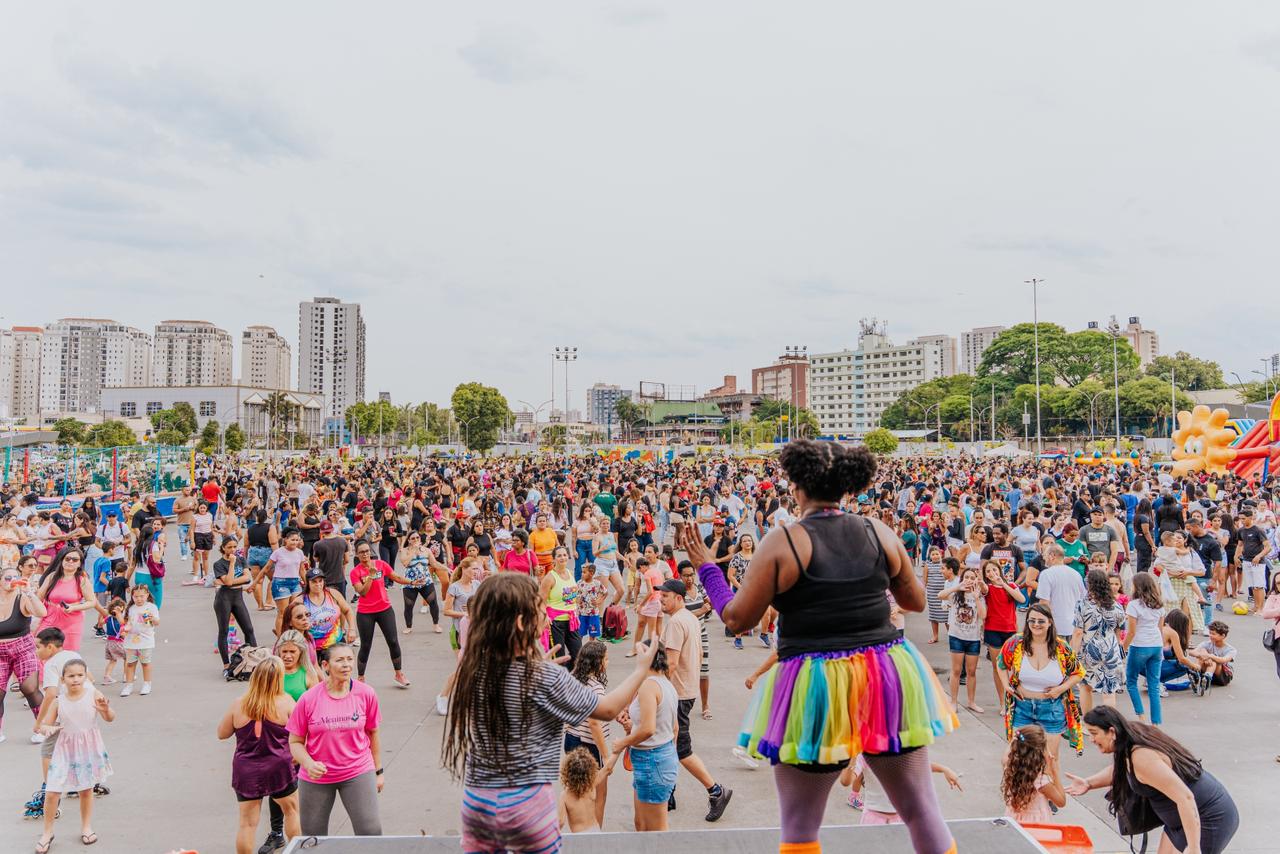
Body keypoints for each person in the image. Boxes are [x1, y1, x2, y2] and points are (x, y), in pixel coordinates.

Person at [686, 440, 957, 854]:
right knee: (921, 810)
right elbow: (916, 601)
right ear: (847, 486)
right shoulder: (878, 531)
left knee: (800, 827)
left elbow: (737, 620)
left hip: (814, 683)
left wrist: (708, 568)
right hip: (884, 676)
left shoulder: (783, 542)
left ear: (796, 487)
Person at [441, 573, 661, 854]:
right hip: (526, 804)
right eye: (541, 609)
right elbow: (607, 709)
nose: (547, 616)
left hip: (478, 801)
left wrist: (537, 667)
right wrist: (641, 669)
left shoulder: (476, 670)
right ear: (522, 623)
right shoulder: (544, 677)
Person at [1067, 706, 1239, 854]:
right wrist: (1089, 783)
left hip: (1207, 817)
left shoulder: (1142, 757)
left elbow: (1185, 797)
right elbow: (1121, 769)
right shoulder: (1129, 737)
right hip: (1180, 820)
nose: (1091, 739)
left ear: (1112, 732)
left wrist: (1194, 848)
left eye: (1094, 733)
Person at [288, 643, 383, 836]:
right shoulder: (308, 699)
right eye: (339, 660)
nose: (346, 664)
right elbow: (295, 742)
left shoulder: (366, 694)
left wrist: (378, 771)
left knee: (370, 832)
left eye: (349, 659)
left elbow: (373, 733)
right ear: (325, 666)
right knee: (313, 837)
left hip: (358, 771)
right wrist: (308, 763)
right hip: (317, 777)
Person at [658, 577, 732, 819]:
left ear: (678, 598)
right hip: (686, 691)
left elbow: (670, 663)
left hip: (676, 695)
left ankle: (716, 791)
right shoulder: (690, 618)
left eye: (665, 596)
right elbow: (699, 654)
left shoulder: (675, 623)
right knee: (669, 746)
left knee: (681, 749)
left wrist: (656, 691)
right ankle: (669, 793)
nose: (661, 599)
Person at [217, 655, 301, 854]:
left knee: (247, 824)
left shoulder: (239, 704)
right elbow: (300, 734)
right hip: (279, 766)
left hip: (246, 769)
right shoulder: (286, 702)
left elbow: (222, 733)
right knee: (291, 812)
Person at [34, 659, 114, 853]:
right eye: (71, 676)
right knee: (52, 792)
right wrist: (47, 729)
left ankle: (86, 827)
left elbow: (110, 718)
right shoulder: (58, 701)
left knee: (86, 790)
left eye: (80, 675)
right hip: (63, 750)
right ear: (63, 679)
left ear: (86, 677)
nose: (76, 679)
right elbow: (43, 725)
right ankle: (47, 832)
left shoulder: (94, 694)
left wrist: (106, 710)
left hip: (87, 749)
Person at [996, 602, 1086, 763]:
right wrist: (1006, 685)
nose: (1036, 624)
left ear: (1050, 622)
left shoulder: (1061, 647)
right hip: (1022, 709)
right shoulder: (1016, 642)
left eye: (1041, 621)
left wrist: (1060, 689)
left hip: (1051, 711)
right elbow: (1001, 663)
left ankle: (1050, 781)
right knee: (1016, 758)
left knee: (1050, 760)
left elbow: (1078, 672)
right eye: (1032, 620)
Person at [611, 645, 680, 831]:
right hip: (655, 759)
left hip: (652, 761)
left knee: (655, 830)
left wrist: (623, 743)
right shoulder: (664, 683)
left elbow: (649, 729)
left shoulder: (649, 686)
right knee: (641, 824)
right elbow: (673, 728)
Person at [349, 540, 412, 688]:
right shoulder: (355, 572)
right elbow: (363, 592)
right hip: (365, 613)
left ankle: (399, 674)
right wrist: (370, 577)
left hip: (384, 609)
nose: (365, 554)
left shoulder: (381, 564)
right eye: (361, 552)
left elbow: (396, 577)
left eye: (367, 551)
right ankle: (361, 678)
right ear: (357, 555)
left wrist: (412, 582)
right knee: (365, 646)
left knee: (393, 641)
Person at [0, 566, 47, 744]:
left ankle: (42, 727)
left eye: (15, 577)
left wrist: (29, 592)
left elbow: (42, 612)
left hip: (23, 649)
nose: (12, 581)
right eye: (7, 578)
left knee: (29, 687)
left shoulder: (22, 598)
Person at [1071, 567, 1126, 713]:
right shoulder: (1116, 606)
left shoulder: (1082, 605)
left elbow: (1078, 632)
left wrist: (1072, 654)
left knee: (1085, 687)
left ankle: (1088, 722)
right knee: (1109, 691)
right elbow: (1120, 629)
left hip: (1088, 650)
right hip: (1110, 650)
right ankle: (1109, 723)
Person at [37, 547, 104, 653]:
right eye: (67, 558)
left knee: (67, 654)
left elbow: (92, 602)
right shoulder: (52, 577)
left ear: (79, 564)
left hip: (71, 622)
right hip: (50, 618)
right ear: (62, 560)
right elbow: (39, 596)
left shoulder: (82, 580)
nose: (70, 561)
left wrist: (74, 607)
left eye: (75, 559)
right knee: (43, 651)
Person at [940, 565, 986, 713]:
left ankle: (971, 702)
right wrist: (957, 587)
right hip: (956, 637)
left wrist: (977, 598)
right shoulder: (955, 595)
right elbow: (940, 595)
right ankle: (953, 702)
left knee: (971, 672)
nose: (969, 580)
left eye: (972, 578)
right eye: (966, 577)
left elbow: (983, 615)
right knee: (956, 670)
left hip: (973, 639)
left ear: (976, 580)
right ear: (962, 579)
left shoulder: (978, 596)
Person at [1001, 723, 1066, 825]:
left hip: (1014, 820)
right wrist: (1054, 771)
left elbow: (1005, 756)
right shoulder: (1041, 781)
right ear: (1040, 752)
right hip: (1036, 825)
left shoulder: (1010, 767)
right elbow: (1061, 802)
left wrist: (1016, 738)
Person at [1124, 572, 1166, 725]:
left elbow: (1131, 631)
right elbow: (1160, 628)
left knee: (1131, 681)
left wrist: (1123, 647)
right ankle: (1156, 723)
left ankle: (1141, 716)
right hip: (1156, 644)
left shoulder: (1133, 605)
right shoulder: (1159, 604)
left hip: (1139, 645)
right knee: (1154, 685)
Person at [213, 537, 259, 670]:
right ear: (223, 548)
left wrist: (230, 581)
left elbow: (247, 578)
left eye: (234, 547)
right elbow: (228, 582)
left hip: (237, 597)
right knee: (224, 631)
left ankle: (254, 659)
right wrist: (232, 564)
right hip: (223, 599)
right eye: (229, 547)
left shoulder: (241, 560)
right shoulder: (219, 564)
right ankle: (226, 664)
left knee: (249, 629)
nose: (232, 550)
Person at [540, 545, 582, 668]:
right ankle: (559, 676)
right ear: (553, 559)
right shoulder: (549, 578)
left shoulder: (570, 573)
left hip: (572, 621)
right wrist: (544, 616)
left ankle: (567, 675)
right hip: (555, 623)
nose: (562, 558)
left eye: (564, 555)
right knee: (559, 659)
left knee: (578, 655)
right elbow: (540, 601)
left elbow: (573, 596)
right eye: (559, 556)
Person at [558, 747, 614, 833]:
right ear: (590, 771)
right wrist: (618, 751)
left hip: (579, 836)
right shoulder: (591, 786)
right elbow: (608, 768)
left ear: (566, 772)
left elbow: (560, 822)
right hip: (596, 832)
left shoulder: (565, 796)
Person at [1035, 544, 1087, 635]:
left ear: (1052, 556)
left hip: (1055, 627)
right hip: (1074, 627)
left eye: (1045, 555)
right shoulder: (1076, 574)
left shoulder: (1046, 574)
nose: (1044, 558)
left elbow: (1044, 603)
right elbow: (1083, 599)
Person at [119, 584, 159, 697]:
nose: (139, 599)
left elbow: (157, 622)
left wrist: (152, 618)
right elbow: (125, 623)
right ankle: (129, 685)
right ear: (132, 596)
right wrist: (124, 628)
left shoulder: (151, 607)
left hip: (146, 641)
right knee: (130, 664)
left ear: (147, 595)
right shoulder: (130, 608)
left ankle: (147, 684)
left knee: (145, 663)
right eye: (136, 596)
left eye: (142, 596)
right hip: (131, 641)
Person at [1186, 621, 1235, 696]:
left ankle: (1207, 677)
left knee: (1214, 661)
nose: (1210, 635)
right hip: (1206, 671)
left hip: (1222, 677)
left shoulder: (1231, 649)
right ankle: (1196, 674)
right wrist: (1202, 655)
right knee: (1202, 651)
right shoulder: (1207, 644)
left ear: (1223, 636)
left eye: (1213, 634)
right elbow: (1191, 652)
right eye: (1210, 633)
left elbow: (1223, 660)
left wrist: (1209, 656)